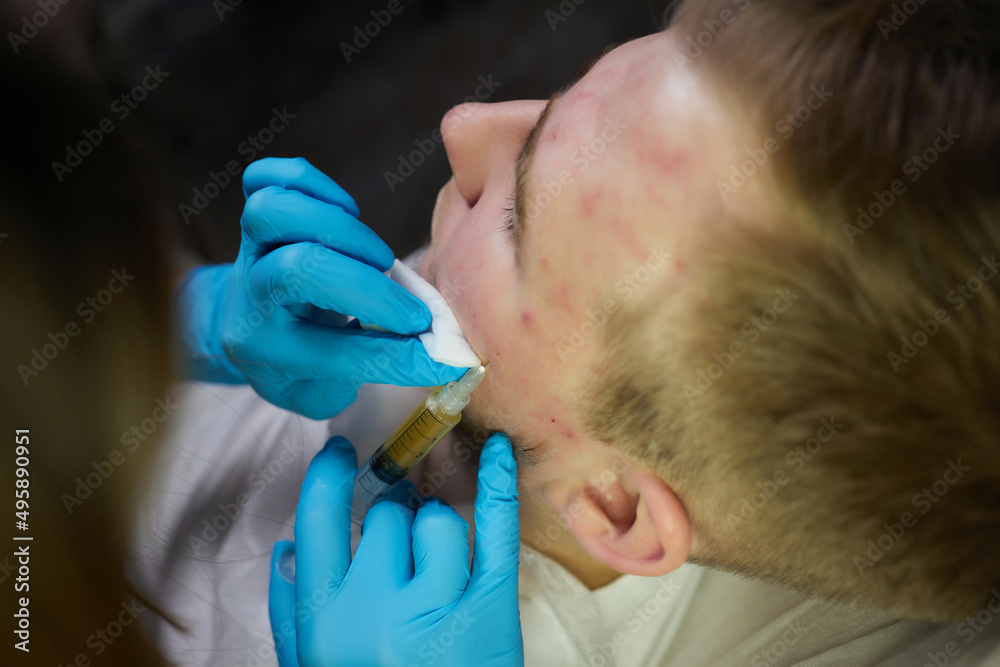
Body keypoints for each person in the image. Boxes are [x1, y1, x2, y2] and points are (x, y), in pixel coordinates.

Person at [147, 0, 1000, 665]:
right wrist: (179, 324)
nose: (462, 124)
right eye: (560, 106)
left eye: (520, 211)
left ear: (612, 505)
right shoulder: (561, 327)